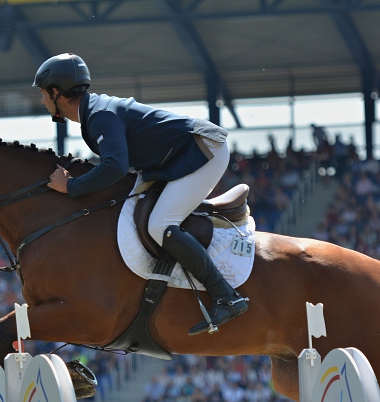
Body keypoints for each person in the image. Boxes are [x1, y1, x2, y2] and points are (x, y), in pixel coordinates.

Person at [33, 53, 248, 335]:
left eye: (43, 94)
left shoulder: (99, 115)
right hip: (181, 156)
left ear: (56, 92)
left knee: (160, 225)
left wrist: (70, 187)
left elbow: (115, 167)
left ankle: (225, 296)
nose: (42, 101)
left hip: (204, 152)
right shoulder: (94, 113)